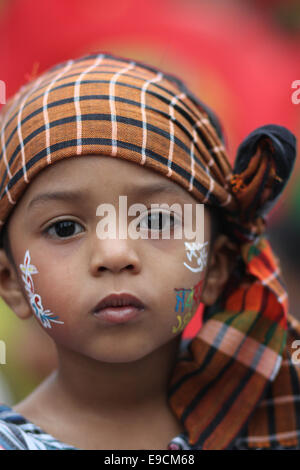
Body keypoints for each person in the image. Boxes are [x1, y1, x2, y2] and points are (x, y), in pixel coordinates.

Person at [0, 52, 298, 450]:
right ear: (12, 282)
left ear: (216, 266)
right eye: (65, 227)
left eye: (155, 220)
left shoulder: (279, 416)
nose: (115, 254)